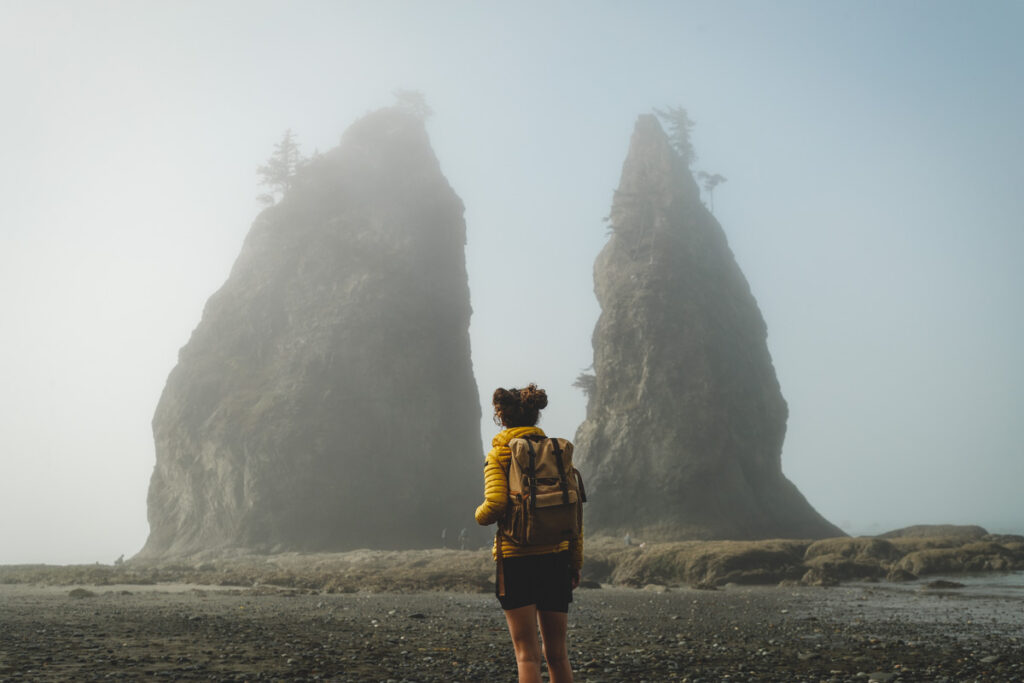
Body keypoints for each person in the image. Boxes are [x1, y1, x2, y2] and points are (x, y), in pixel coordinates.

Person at [475, 384, 582, 683]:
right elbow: (574, 514)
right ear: (534, 417)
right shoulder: (557, 454)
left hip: (517, 560)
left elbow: (495, 505)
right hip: (557, 557)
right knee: (558, 655)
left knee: (527, 655)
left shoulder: (499, 454)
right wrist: (574, 562)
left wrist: (477, 514)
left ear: (503, 418)